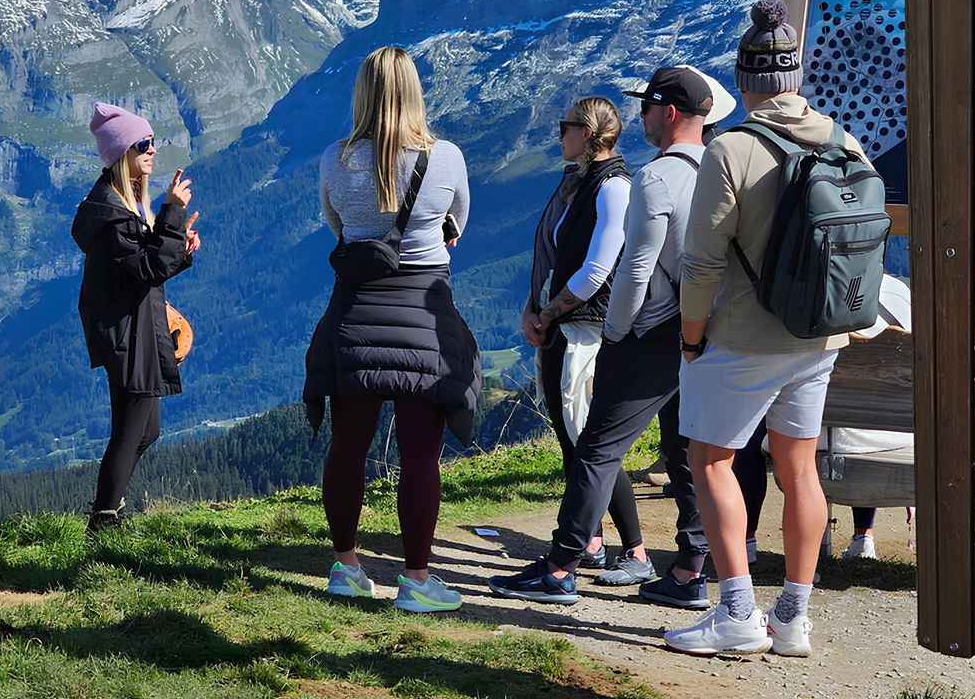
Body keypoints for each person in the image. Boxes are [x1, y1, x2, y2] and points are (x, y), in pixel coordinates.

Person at [665, 0, 871, 658]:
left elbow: (700, 260)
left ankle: (735, 614)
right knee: (798, 467)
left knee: (711, 459)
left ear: (745, 80)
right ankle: (793, 617)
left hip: (743, 337)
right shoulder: (844, 139)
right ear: (795, 76)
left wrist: (691, 335)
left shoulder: (733, 150)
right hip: (819, 335)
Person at [489, 68, 727, 605]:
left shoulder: (653, 178)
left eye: (646, 107)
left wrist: (617, 333)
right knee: (686, 450)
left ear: (668, 113)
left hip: (652, 330)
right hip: (708, 331)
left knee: (597, 446)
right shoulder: (718, 168)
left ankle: (562, 565)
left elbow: (633, 270)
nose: (639, 117)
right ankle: (690, 570)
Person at [303, 45, 481, 614]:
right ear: (413, 92)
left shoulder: (335, 158)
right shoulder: (446, 156)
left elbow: (337, 225)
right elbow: (459, 221)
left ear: (362, 93)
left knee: (347, 447)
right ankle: (417, 578)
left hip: (354, 314)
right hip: (423, 319)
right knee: (419, 454)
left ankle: (347, 567)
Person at [71, 102, 200, 535]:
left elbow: (146, 268)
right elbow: (146, 269)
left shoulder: (122, 210)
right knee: (131, 430)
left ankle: (110, 510)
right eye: (142, 145)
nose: (152, 151)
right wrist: (173, 215)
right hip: (128, 334)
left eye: (152, 142)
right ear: (121, 154)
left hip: (135, 326)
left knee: (146, 430)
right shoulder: (113, 218)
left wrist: (180, 251)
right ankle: (104, 521)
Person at [519, 96, 631, 572]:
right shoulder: (577, 183)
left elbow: (597, 269)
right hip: (565, 324)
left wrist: (551, 309)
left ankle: (635, 547)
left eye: (564, 126)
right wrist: (534, 305)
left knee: (590, 438)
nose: (558, 135)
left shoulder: (613, 187)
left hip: (587, 326)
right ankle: (590, 540)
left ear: (586, 133)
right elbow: (552, 251)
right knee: (573, 436)